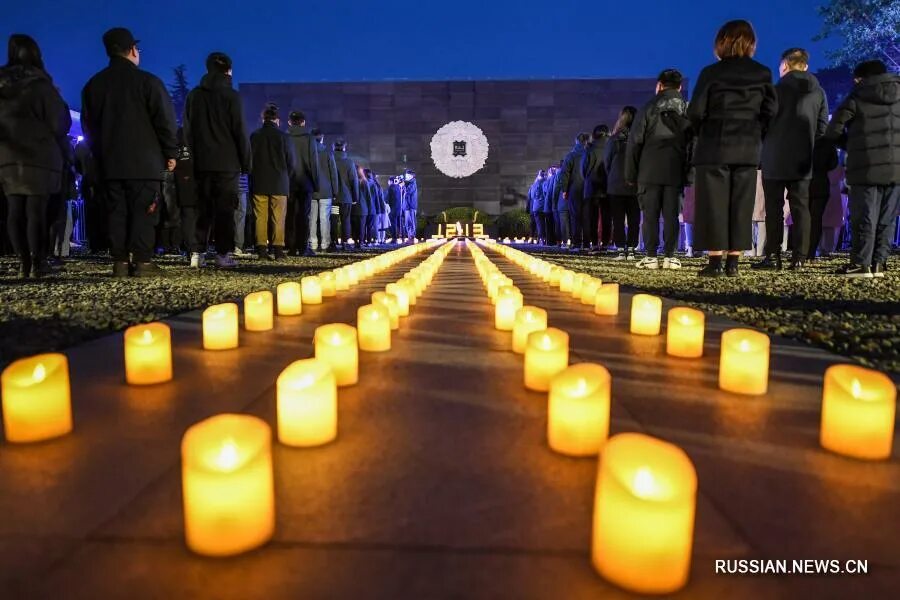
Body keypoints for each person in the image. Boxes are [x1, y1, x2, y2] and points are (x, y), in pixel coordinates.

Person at [81, 27, 177, 278]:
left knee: (116, 212)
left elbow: (88, 126)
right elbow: (164, 121)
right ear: (132, 50)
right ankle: (143, 261)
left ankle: (120, 262)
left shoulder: (94, 85)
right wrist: (170, 152)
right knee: (145, 211)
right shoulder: (148, 82)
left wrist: (98, 152)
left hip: (109, 162)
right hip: (144, 162)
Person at [687, 19, 778, 277]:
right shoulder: (762, 73)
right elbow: (771, 110)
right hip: (747, 146)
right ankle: (734, 262)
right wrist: (757, 131)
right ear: (751, 43)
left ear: (721, 42)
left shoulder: (711, 73)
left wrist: (700, 130)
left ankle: (715, 261)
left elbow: (695, 111)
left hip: (714, 144)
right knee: (742, 202)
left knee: (713, 203)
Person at [754, 48, 828, 271]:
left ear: (785, 65)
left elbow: (761, 123)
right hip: (803, 158)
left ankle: (773, 256)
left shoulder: (774, 91)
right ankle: (799, 257)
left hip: (774, 156)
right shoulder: (818, 92)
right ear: (805, 66)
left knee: (774, 208)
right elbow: (822, 127)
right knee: (801, 207)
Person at [824, 60, 900, 278]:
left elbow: (832, 131)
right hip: (896, 167)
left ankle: (860, 263)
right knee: (888, 217)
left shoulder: (858, 95)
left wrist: (851, 145)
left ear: (861, 78)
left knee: (864, 215)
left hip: (865, 166)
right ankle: (879, 264)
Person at [183, 51, 251, 269]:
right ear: (228, 70)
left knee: (201, 208)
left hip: (201, 162)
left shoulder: (194, 96)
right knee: (225, 211)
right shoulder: (232, 96)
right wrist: (246, 162)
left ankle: (197, 252)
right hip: (227, 163)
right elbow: (239, 131)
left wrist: (191, 157)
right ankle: (223, 255)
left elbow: (187, 130)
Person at [625, 69, 692, 270]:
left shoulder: (648, 107)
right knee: (672, 214)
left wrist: (631, 173)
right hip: (676, 170)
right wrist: (690, 173)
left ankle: (651, 256)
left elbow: (634, 142)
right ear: (680, 87)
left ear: (659, 85)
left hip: (649, 170)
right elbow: (693, 142)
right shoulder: (686, 109)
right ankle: (671, 256)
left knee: (650, 214)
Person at [249, 103, 294, 260]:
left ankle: (262, 250)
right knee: (278, 216)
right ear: (277, 120)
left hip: (259, 181)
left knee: (260, 216)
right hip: (279, 182)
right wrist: (287, 176)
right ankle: (278, 250)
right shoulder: (284, 137)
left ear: (263, 119)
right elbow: (291, 161)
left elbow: (249, 159)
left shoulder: (255, 136)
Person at [605, 106, 640, 260]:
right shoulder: (640, 137)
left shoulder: (614, 139)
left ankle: (620, 249)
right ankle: (632, 249)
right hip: (635, 183)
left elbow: (607, 161)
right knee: (634, 218)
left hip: (616, 183)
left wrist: (612, 175)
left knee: (618, 219)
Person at [286, 110, 318, 256]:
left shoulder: (285, 137)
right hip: (306, 181)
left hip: (289, 181)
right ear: (303, 122)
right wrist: (316, 183)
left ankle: (291, 247)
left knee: (290, 214)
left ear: (289, 122)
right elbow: (313, 162)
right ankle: (303, 247)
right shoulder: (309, 139)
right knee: (304, 216)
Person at [807, 139, 840, 259]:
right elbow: (834, 164)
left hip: (805, 183)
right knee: (816, 219)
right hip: (821, 183)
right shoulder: (828, 143)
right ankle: (811, 252)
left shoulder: (804, 139)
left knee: (803, 219)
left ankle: (801, 250)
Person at [581, 124, 609, 252]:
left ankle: (593, 243)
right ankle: (605, 243)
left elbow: (583, 169)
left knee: (592, 217)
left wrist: (587, 178)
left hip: (591, 186)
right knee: (606, 216)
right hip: (607, 185)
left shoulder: (589, 149)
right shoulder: (611, 146)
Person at [560, 133, 589, 250]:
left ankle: (577, 243)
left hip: (574, 189)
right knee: (587, 217)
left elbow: (565, 174)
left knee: (575, 217)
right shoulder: (589, 153)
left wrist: (564, 190)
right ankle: (587, 244)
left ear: (576, 141)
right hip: (588, 189)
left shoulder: (571, 156)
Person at [312, 128, 339, 251]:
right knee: (324, 219)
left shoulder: (309, 152)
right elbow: (333, 174)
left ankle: (312, 242)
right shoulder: (328, 153)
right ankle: (324, 243)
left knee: (312, 219)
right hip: (326, 191)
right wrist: (335, 191)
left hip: (311, 190)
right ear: (322, 138)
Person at [332, 139, 359, 248]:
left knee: (333, 220)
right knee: (345, 220)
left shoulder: (330, 160)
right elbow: (354, 180)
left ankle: (333, 241)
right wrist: (355, 197)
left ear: (333, 148)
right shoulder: (349, 162)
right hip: (346, 198)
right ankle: (345, 242)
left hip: (334, 197)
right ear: (344, 148)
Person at [528, 170, 546, 243]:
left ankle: (541, 239)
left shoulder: (535, 185)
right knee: (543, 224)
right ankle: (542, 238)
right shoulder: (546, 182)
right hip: (545, 206)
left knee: (538, 224)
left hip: (536, 207)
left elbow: (532, 196)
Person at [386, 175, 403, 241]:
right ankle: (397, 237)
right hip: (398, 209)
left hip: (392, 209)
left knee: (392, 224)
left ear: (390, 181)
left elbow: (387, 198)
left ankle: (394, 238)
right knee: (396, 223)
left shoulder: (390, 187)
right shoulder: (398, 187)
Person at [404, 170, 418, 243]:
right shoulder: (408, 183)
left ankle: (412, 237)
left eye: (407, 176)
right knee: (407, 222)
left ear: (411, 176)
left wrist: (404, 185)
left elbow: (408, 192)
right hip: (407, 206)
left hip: (411, 206)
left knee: (411, 222)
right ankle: (409, 236)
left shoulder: (413, 183)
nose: (405, 177)